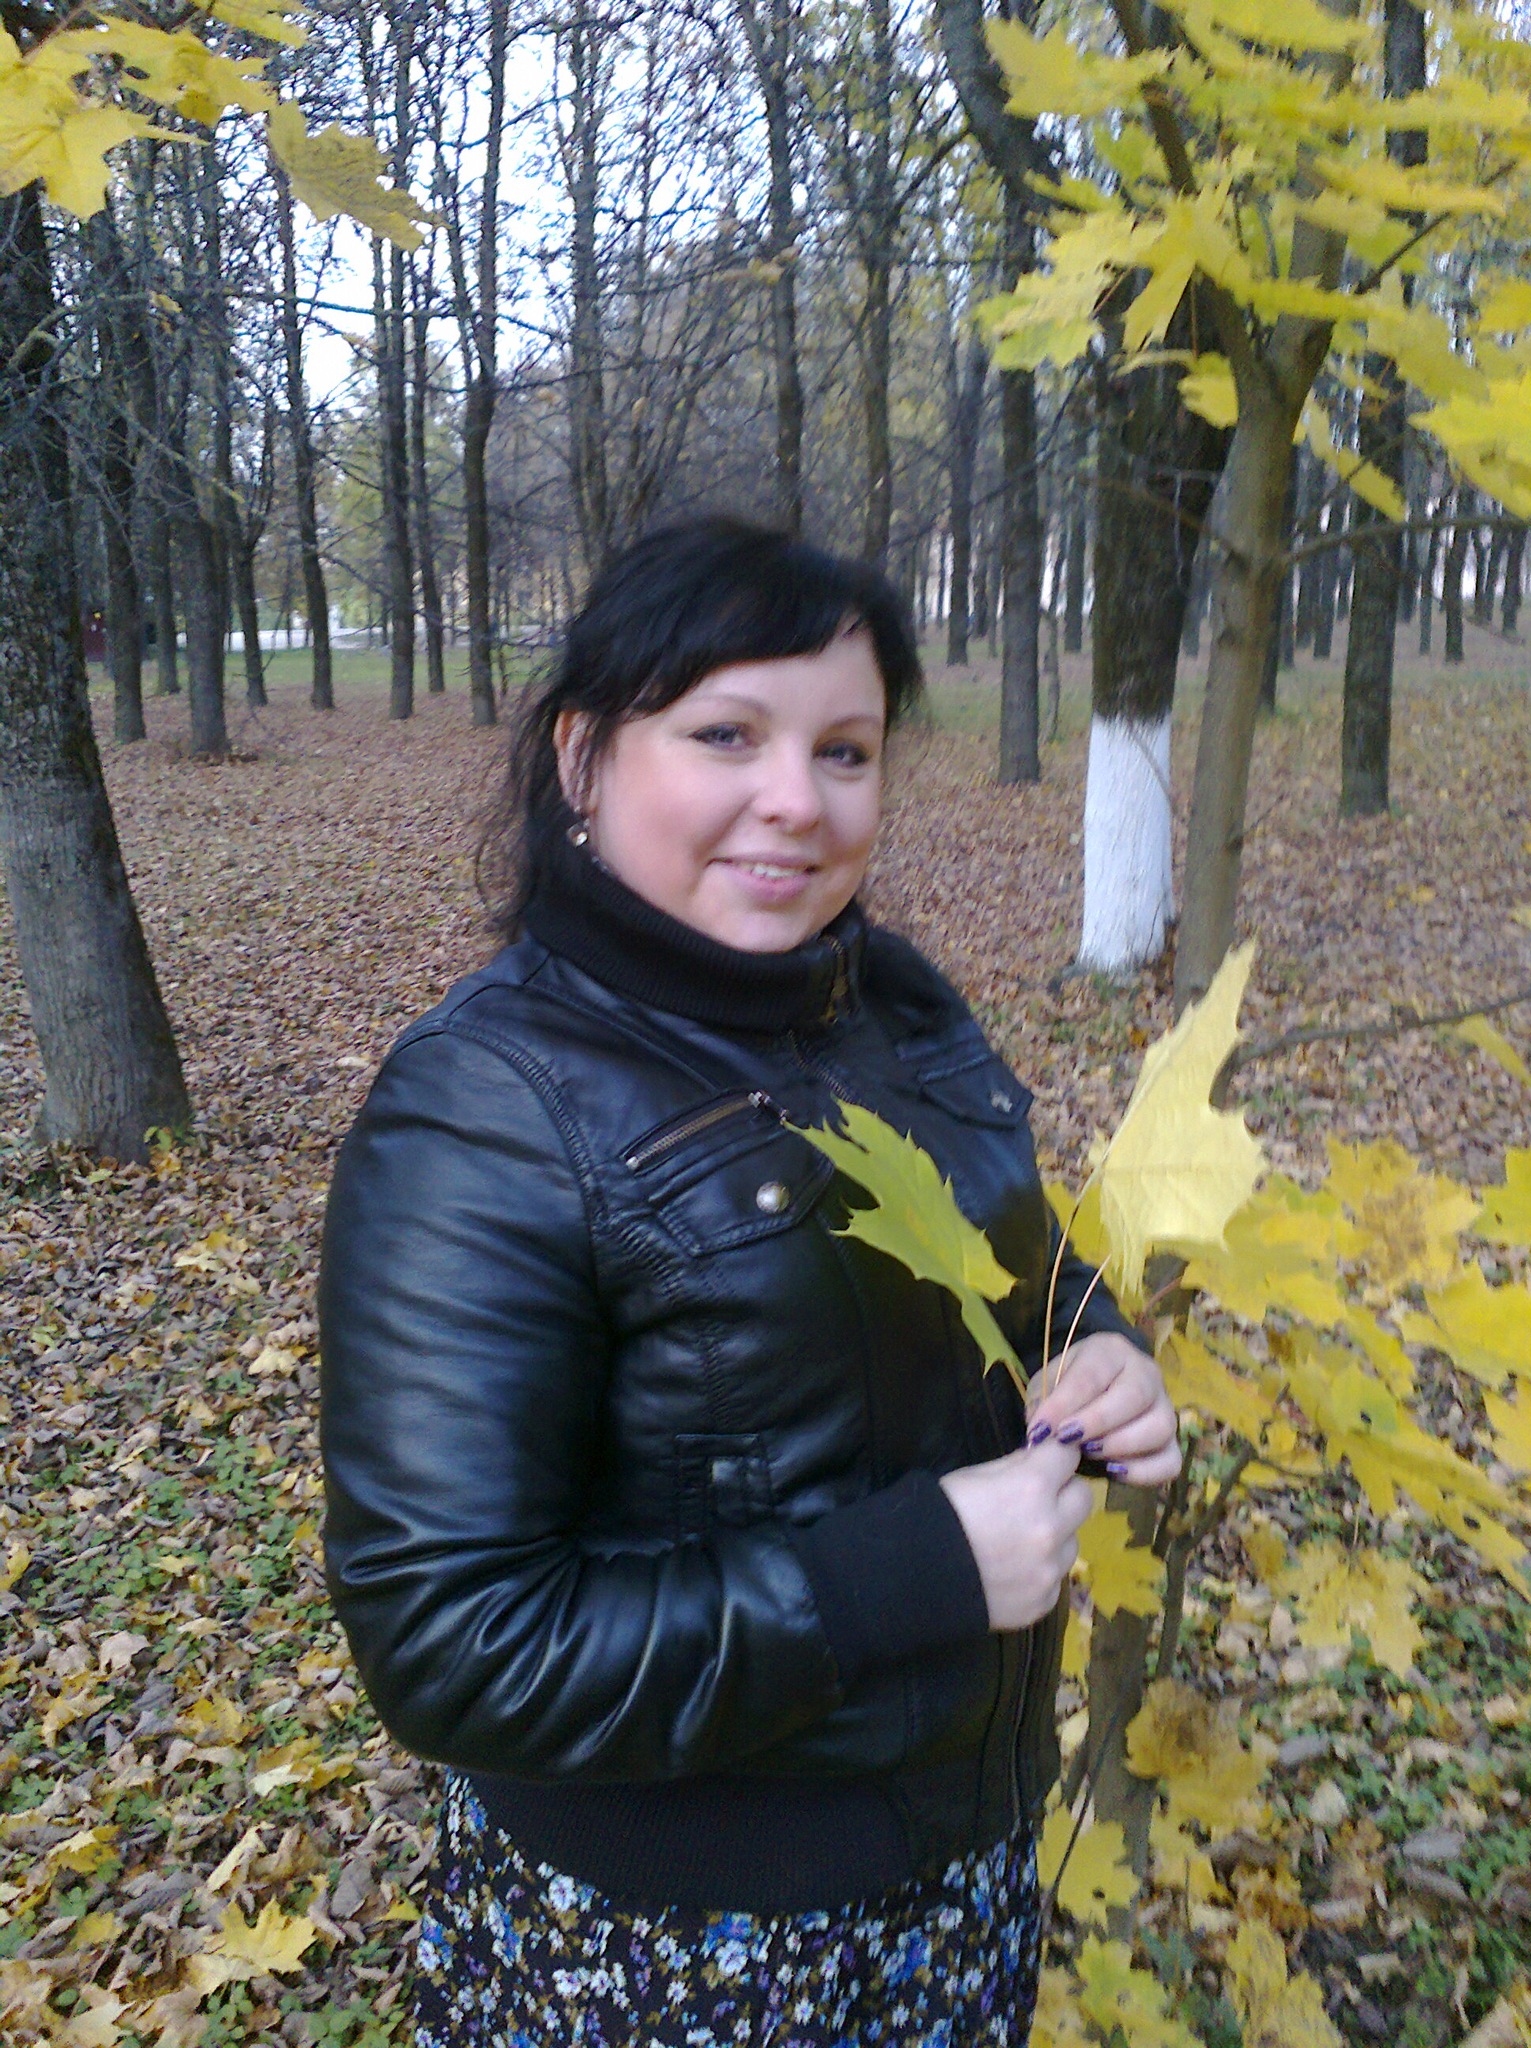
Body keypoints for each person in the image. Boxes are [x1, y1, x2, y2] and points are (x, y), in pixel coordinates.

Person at [319, 518, 1181, 2047]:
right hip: (677, 1945)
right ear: (583, 758)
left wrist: (1093, 1344)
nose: (797, 799)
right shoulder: (486, 1109)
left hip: (957, 1877)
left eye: (845, 750)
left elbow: (1010, 1265)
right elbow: (452, 1645)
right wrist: (911, 1572)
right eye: (727, 734)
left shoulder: (889, 1006)